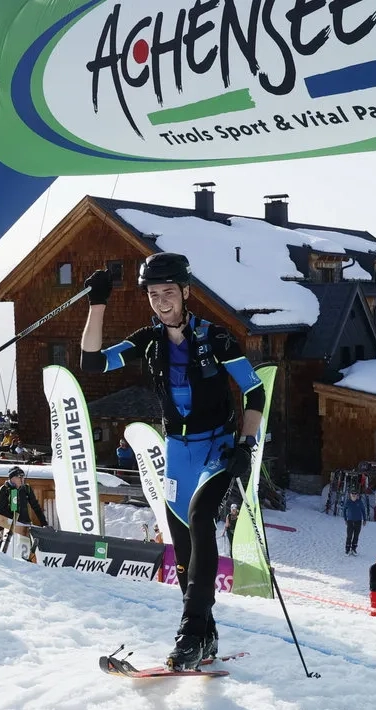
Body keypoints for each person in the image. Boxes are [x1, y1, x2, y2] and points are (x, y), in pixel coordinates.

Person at [79, 253, 265, 671]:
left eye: (168, 293)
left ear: (185, 293)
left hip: (219, 449)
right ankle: (207, 635)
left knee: (202, 520)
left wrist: (246, 443)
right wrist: (97, 303)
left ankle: (189, 635)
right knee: (182, 549)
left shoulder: (215, 338)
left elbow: (254, 392)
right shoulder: (148, 340)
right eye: (153, 294)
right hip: (178, 452)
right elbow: (91, 361)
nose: (161, 302)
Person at [0, 466, 48, 553]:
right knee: (6, 549)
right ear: (13, 478)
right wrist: (3, 528)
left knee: (25, 553)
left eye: (23, 477)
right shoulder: (4, 489)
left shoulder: (26, 489)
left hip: (25, 525)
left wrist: (44, 524)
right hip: (9, 526)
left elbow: (36, 507)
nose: (23, 480)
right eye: (20, 477)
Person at [343, 487, 366, 555]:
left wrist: (364, 520)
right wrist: (345, 519)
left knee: (356, 536)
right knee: (349, 536)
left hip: (358, 521)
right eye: (352, 493)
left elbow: (363, 511)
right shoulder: (348, 502)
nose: (354, 495)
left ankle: (353, 549)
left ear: (357, 495)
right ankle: (347, 550)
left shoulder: (360, 502)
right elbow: (344, 510)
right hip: (350, 521)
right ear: (350, 494)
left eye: (355, 494)